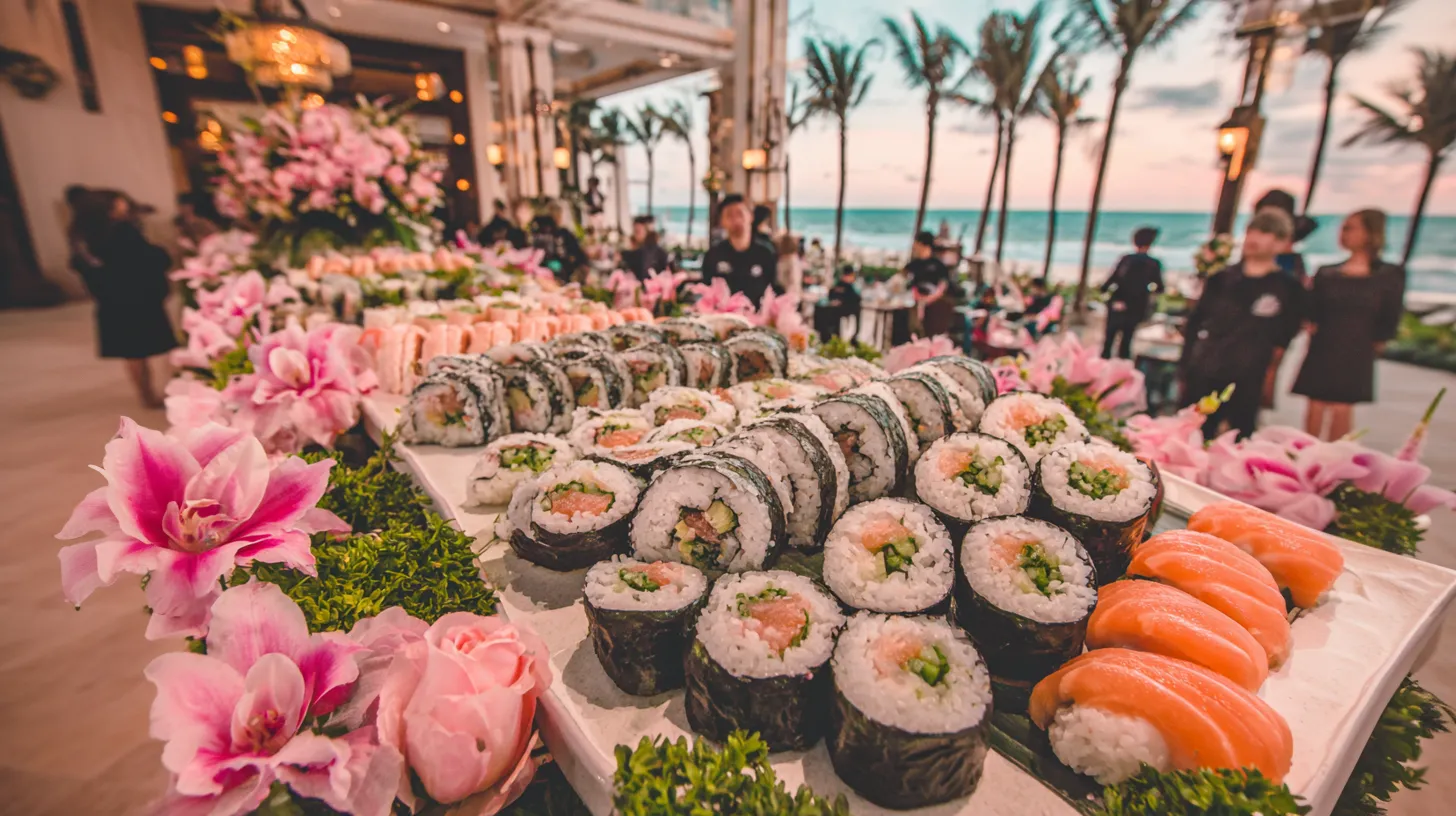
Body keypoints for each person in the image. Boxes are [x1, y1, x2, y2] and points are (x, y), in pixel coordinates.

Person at [1178, 209, 1304, 439]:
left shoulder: (1288, 288)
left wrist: (1270, 377)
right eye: (1252, 230)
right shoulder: (1221, 279)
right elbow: (1195, 323)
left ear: (1282, 243)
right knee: (1191, 435)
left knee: (1238, 439)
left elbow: (1285, 335)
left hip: (1248, 375)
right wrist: (1185, 366)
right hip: (1206, 368)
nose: (1255, 238)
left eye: (1266, 232)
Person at [1292, 209, 1406, 441]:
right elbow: (1311, 312)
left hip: (1358, 346)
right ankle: (1305, 458)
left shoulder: (1389, 274)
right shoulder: (1327, 273)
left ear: (1370, 233)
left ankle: (1336, 462)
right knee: (1315, 402)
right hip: (1324, 344)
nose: (1342, 234)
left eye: (1349, 228)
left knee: (1342, 405)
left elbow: (1390, 315)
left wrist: (1376, 343)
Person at [73, 190, 177, 407]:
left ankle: (146, 395)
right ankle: (162, 394)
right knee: (159, 349)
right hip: (138, 298)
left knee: (133, 354)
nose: (124, 206)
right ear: (109, 210)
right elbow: (150, 258)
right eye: (118, 204)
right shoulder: (123, 231)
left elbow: (80, 266)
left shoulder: (84, 236)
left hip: (111, 301)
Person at [701, 193, 779, 304]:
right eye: (729, 215)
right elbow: (707, 293)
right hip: (723, 318)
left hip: (756, 318)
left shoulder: (766, 253)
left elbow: (774, 291)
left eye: (740, 214)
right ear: (722, 222)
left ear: (751, 216)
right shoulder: (713, 255)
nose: (736, 220)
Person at [1100, 226, 1165, 359]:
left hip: (1117, 301)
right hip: (1136, 304)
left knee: (1108, 340)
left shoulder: (1125, 259)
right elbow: (1159, 287)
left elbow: (1111, 280)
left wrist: (1105, 292)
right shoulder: (1153, 263)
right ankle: (1121, 372)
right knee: (1126, 341)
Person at [905, 230, 955, 337]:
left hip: (934, 308)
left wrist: (928, 300)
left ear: (923, 245)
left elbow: (943, 286)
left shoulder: (938, 265)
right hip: (915, 304)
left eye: (916, 244)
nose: (914, 247)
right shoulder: (914, 264)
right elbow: (904, 281)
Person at [530, 210, 588, 284]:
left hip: (565, 272)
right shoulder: (542, 231)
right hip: (546, 271)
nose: (557, 218)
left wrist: (582, 264)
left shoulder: (565, 232)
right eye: (554, 215)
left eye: (559, 215)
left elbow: (577, 251)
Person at [814, 264, 862, 341]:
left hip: (847, 313)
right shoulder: (839, 284)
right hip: (834, 312)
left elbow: (857, 299)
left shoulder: (853, 286)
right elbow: (831, 295)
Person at [622, 215, 672, 280]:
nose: (635, 235)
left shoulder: (648, 251)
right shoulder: (640, 249)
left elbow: (644, 274)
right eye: (635, 231)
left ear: (646, 231)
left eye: (638, 231)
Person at [776, 232, 803, 300]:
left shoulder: (782, 260)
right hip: (791, 295)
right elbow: (795, 279)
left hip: (786, 295)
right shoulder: (793, 259)